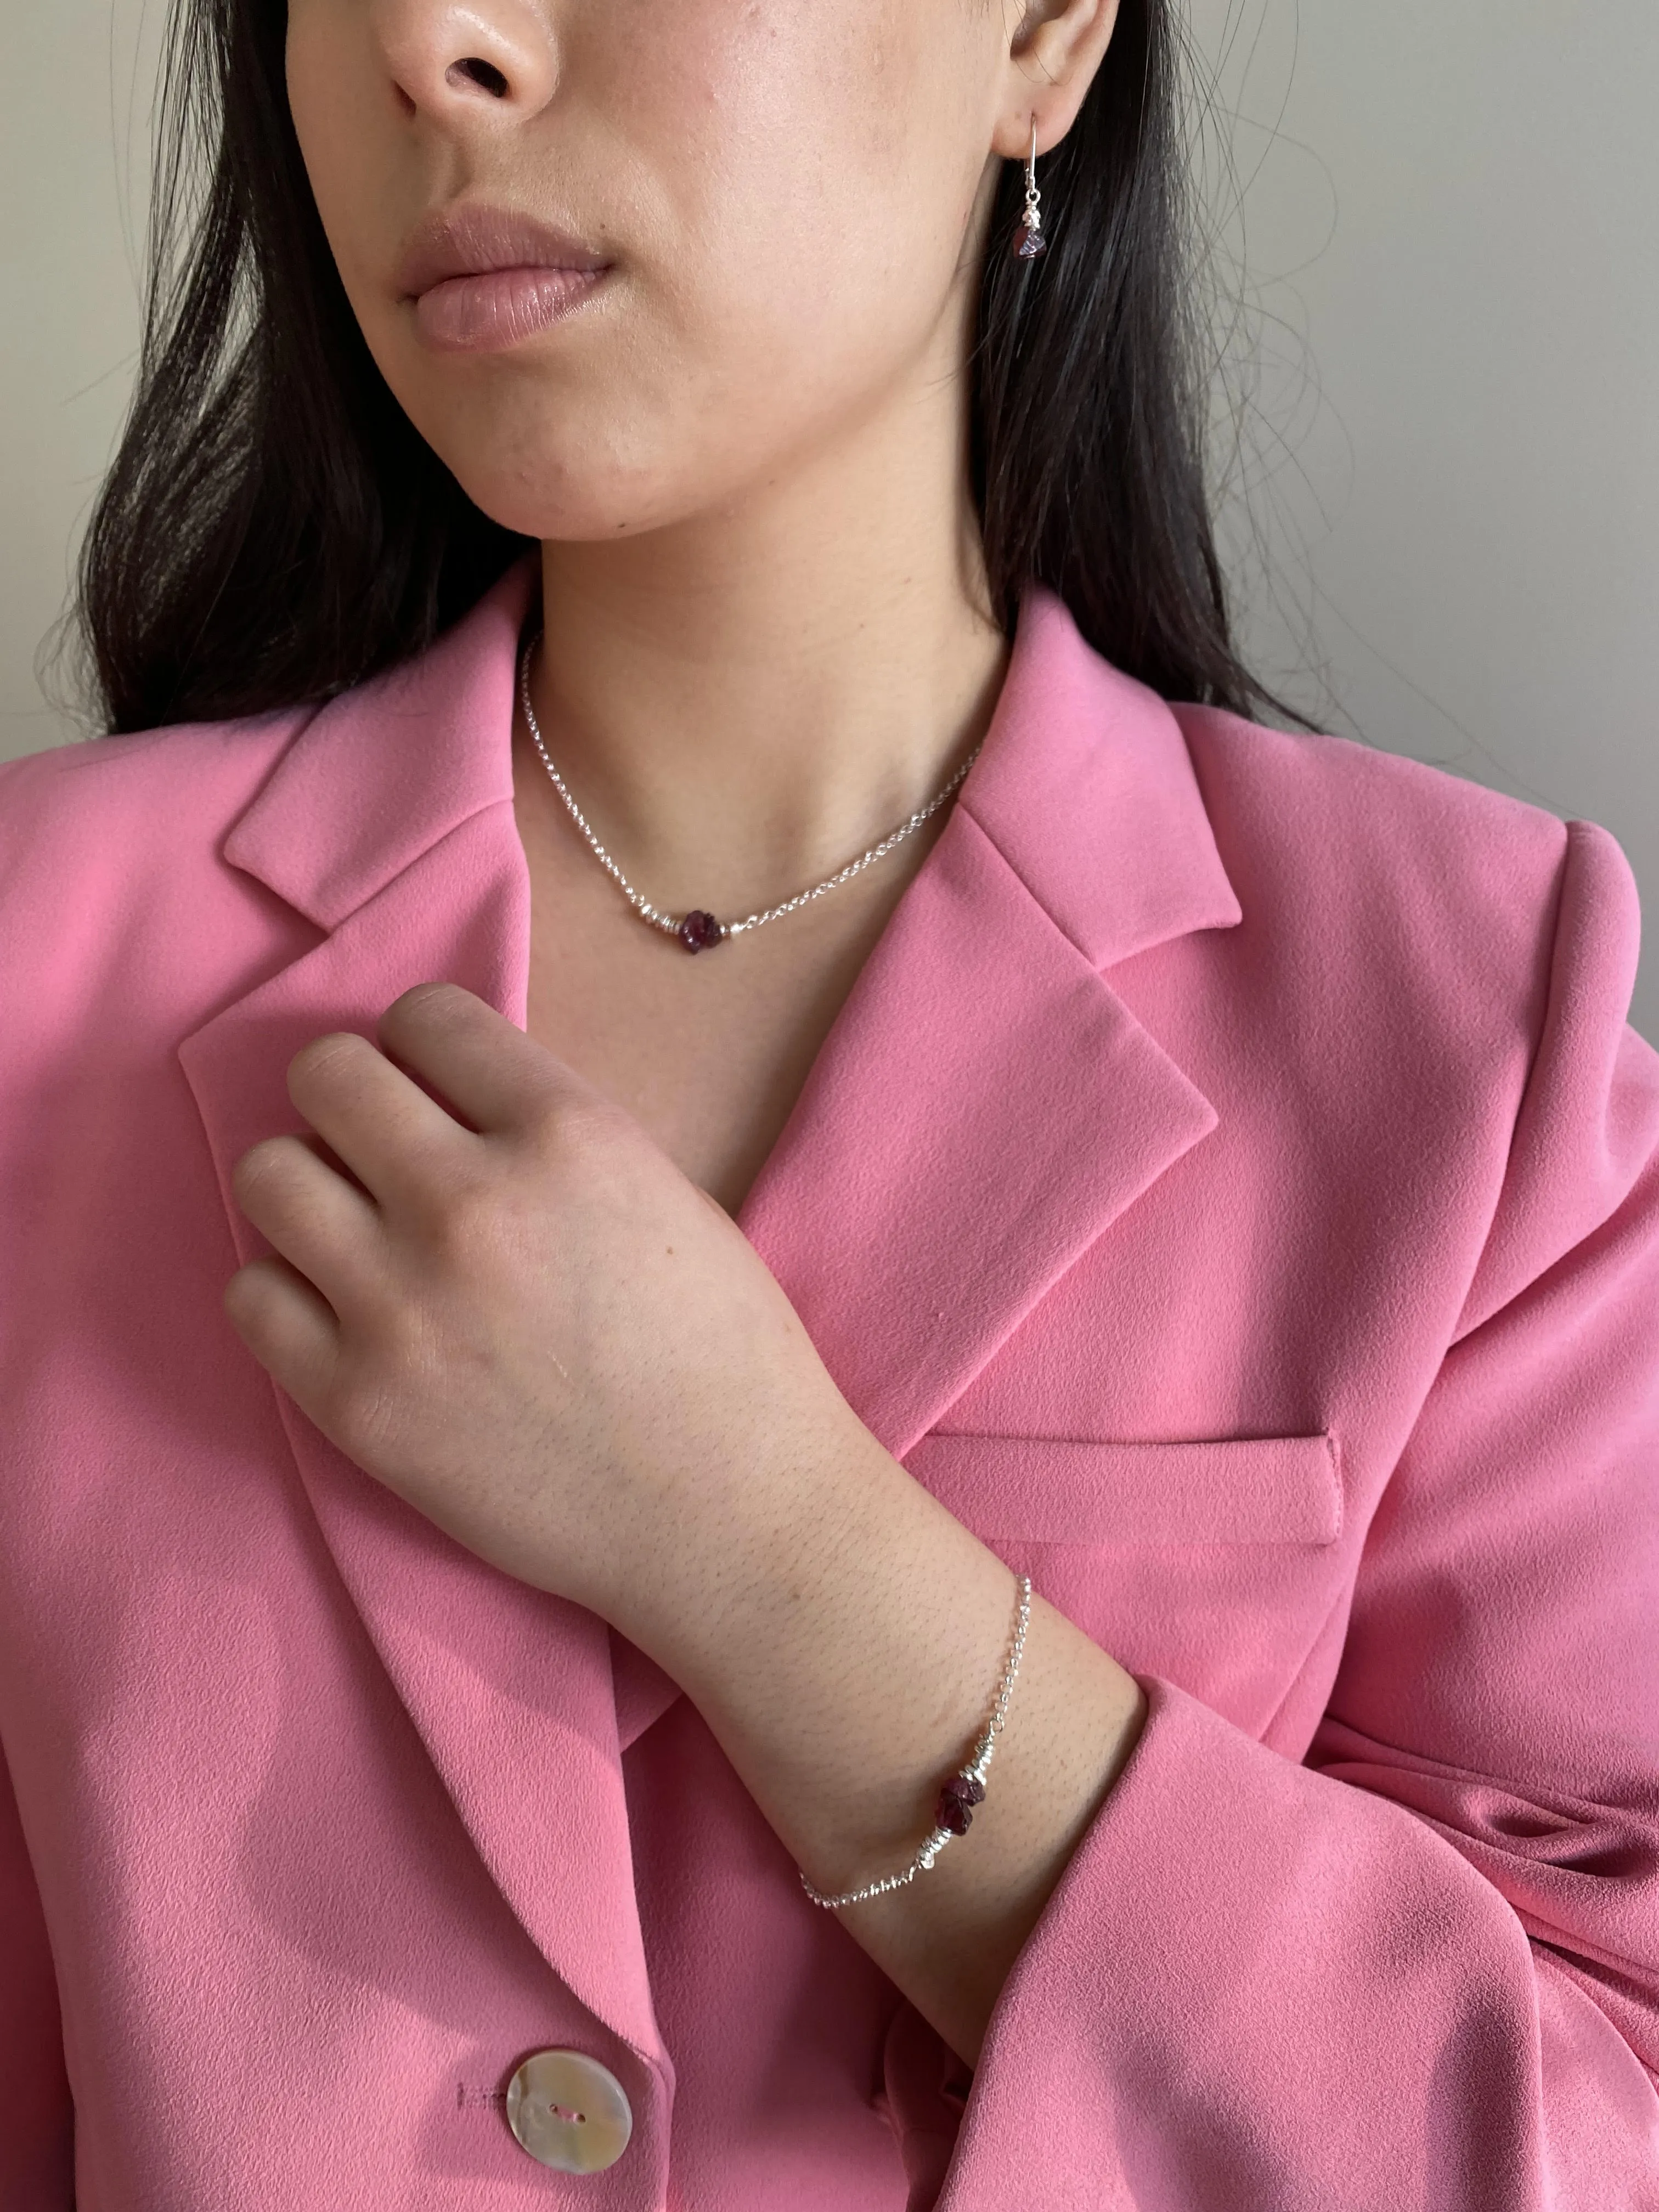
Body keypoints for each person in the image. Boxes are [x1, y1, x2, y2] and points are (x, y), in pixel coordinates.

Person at [1, 0, 1655, 2202]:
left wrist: (775, 1556)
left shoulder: (1474, 1029)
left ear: (1048, 33)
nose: (433, 43)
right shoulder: (37, 968)